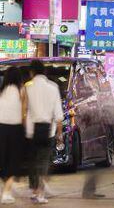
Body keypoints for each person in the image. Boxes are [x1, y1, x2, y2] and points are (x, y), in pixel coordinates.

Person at [26, 60, 64, 204]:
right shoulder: (53, 87)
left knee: (33, 162)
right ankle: (41, 194)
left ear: (32, 72)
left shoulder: (27, 87)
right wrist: (60, 135)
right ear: (44, 72)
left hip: (31, 130)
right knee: (43, 162)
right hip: (48, 130)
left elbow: (24, 111)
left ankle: (34, 190)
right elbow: (58, 114)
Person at [0, 67, 26, 204]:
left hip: (1, 128)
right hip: (15, 129)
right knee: (13, 161)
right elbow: (23, 113)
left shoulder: (1, 91)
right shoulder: (21, 91)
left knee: (3, 161)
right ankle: (6, 192)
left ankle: (7, 188)